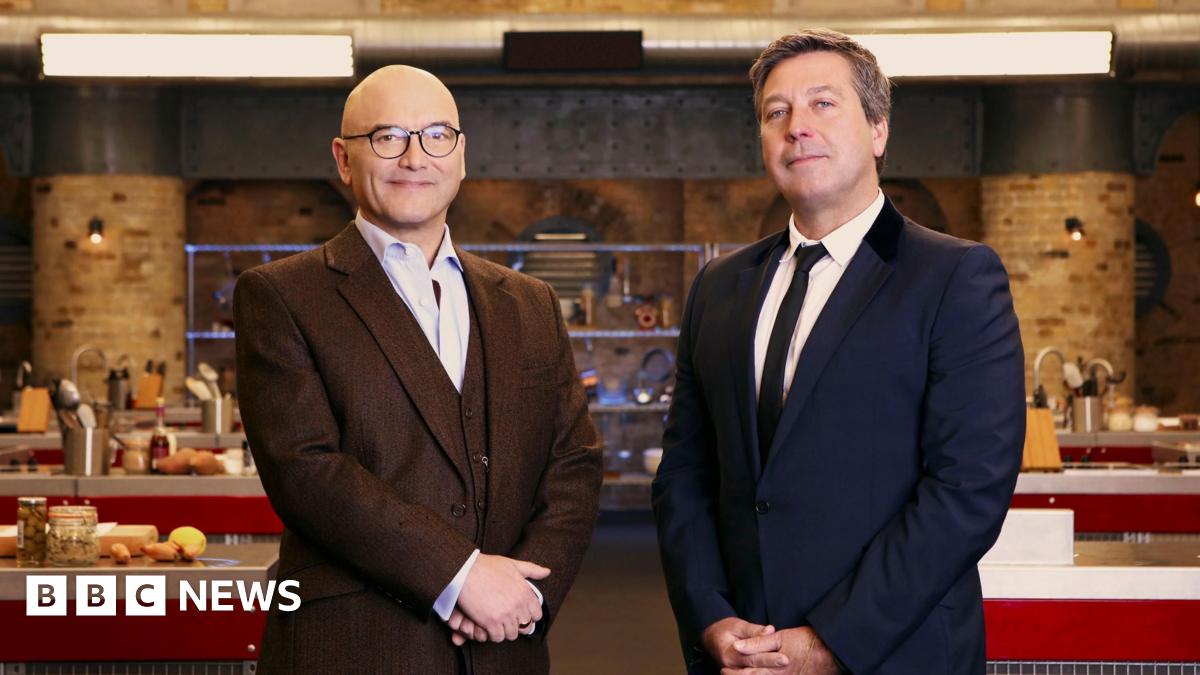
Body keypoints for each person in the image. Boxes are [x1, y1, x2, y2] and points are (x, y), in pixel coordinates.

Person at [652, 29, 1025, 674]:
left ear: (878, 129)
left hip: (889, 653)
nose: (797, 127)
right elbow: (685, 473)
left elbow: (967, 491)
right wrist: (712, 618)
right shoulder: (720, 286)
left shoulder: (954, 277)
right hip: (742, 656)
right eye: (776, 112)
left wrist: (827, 643)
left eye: (824, 104)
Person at [234, 65, 602, 675]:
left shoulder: (529, 301)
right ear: (344, 159)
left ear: (460, 156)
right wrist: (459, 577)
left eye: (436, 135)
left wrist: (527, 593)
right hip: (357, 646)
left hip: (506, 644)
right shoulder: (282, 295)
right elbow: (307, 471)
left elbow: (573, 462)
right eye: (387, 136)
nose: (414, 157)